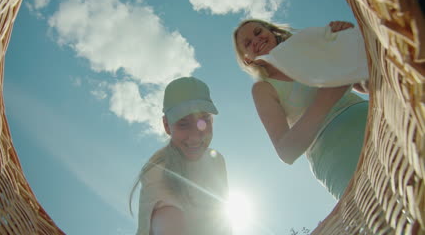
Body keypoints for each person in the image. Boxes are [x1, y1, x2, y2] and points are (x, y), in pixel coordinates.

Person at [232, 19, 369, 200]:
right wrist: (326, 98)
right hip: (338, 157)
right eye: (248, 43)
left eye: (258, 32)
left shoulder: (310, 53)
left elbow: (365, 85)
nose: (256, 40)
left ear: (273, 32)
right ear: (247, 59)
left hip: (373, 121)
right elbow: (286, 151)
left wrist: (349, 43)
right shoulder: (264, 89)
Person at [129, 76, 232, 235]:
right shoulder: (158, 171)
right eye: (183, 124)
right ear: (166, 126)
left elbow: (222, 224)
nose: (195, 137)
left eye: (204, 120)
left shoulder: (216, 161)